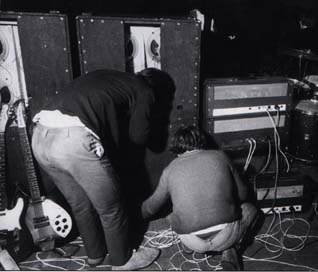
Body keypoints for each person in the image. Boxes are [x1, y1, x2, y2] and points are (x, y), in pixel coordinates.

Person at [31, 68, 175, 269]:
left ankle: (95, 256)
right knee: (112, 208)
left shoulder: (108, 76)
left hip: (39, 136)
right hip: (71, 139)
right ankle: (122, 260)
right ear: (156, 88)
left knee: (81, 204)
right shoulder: (145, 90)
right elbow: (140, 137)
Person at [141, 126, 260, 271]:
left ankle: (187, 245)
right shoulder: (220, 156)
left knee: (172, 214)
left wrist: (131, 216)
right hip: (226, 236)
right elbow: (243, 195)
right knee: (251, 209)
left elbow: (151, 207)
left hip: (192, 241)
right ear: (202, 142)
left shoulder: (170, 169)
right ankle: (231, 250)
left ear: (176, 150)